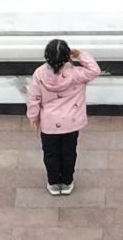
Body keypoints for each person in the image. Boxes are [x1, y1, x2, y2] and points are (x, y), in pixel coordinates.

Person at [26, 39, 101, 196]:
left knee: (50, 154)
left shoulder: (39, 74)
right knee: (69, 153)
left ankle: (53, 183)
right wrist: (80, 55)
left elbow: (34, 98)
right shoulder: (77, 74)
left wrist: (33, 117)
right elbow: (95, 70)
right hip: (71, 123)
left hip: (48, 123)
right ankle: (67, 182)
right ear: (68, 56)